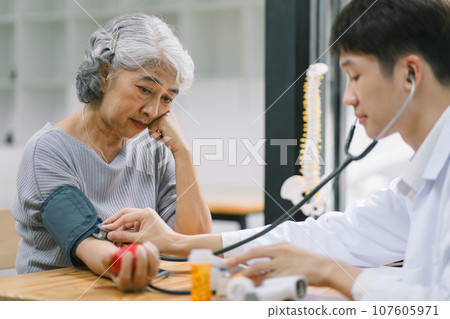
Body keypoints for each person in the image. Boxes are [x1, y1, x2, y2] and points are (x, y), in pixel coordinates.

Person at [102, 0, 450, 300]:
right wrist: (176, 243)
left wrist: (332, 273)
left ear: (410, 73)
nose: (348, 97)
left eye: (355, 76)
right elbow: (330, 235)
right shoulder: (422, 182)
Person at [12, 13, 211, 291]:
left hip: (130, 298)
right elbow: (88, 243)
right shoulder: (48, 150)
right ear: (106, 73)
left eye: (167, 98)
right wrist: (131, 262)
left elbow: (194, 245)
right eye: (145, 89)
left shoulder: (155, 149)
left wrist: (183, 154)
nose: (153, 111)